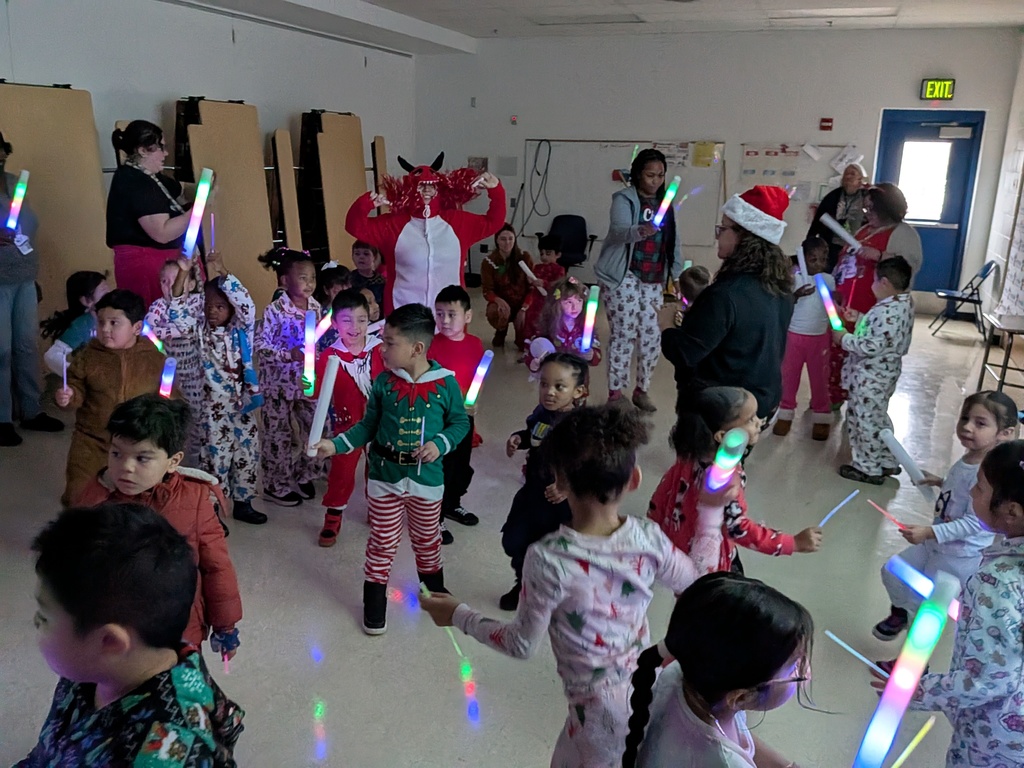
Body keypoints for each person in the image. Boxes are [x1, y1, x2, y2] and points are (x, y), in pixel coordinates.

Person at [420, 405, 698, 768]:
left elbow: (520, 644)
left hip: (597, 716)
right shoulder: (649, 537)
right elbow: (695, 584)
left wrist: (459, 614)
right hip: (649, 689)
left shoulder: (548, 558)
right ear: (635, 479)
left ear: (559, 481)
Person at [18, 502, 244, 766]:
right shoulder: (91, 664)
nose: (35, 621)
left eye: (44, 616)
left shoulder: (162, 755)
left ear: (110, 642)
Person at [311, 303, 469, 635]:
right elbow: (365, 427)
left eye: (389, 343)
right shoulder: (383, 383)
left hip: (427, 481)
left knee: (427, 540)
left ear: (417, 348)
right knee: (382, 541)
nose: (381, 349)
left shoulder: (446, 385)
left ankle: (434, 593)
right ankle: (375, 599)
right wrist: (334, 444)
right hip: (385, 479)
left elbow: (459, 424)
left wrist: (440, 443)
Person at [74, 394, 244, 654]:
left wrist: (225, 626)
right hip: (117, 632)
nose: (126, 467)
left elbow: (216, 567)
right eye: (117, 453)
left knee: (178, 688)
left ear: (173, 462)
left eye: (142, 458)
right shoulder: (97, 499)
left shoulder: (196, 501)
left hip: (179, 631)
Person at [902, 440, 1024, 767]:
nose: (970, 494)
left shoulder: (996, 581)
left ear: (1011, 511)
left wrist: (916, 689)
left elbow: (990, 679)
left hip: (998, 736)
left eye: (980, 489)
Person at [623, 572, 812, 768]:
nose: (806, 672)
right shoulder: (727, 762)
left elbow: (733, 737)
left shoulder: (684, 677)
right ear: (741, 697)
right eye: (794, 669)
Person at [873, 390, 1017, 642]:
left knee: (929, 611)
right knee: (893, 571)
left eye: (980, 423)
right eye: (965, 419)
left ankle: (915, 667)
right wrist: (943, 482)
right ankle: (900, 613)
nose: (967, 427)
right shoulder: (970, 459)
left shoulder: (988, 472)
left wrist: (929, 532)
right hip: (935, 546)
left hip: (958, 557)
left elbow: (976, 521)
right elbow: (963, 494)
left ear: (1004, 433)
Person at [648, 387, 821, 576]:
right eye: (750, 419)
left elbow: (661, 497)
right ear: (722, 436)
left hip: (677, 551)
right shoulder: (726, 480)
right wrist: (791, 543)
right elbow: (738, 527)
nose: (759, 422)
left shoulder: (688, 457)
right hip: (709, 562)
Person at [146, 251, 265, 525]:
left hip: (244, 408)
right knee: (216, 461)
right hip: (214, 411)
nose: (213, 311)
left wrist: (222, 270)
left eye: (220, 307)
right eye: (209, 306)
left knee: (247, 455)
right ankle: (213, 512)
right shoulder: (199, 331)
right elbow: (175, 308)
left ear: (231, 309)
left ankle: (244, 502)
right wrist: (184, 272)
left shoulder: (241, 329)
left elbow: (246, 304)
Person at [662, 186, 794, 424]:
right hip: (762, 402)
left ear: (744, 236)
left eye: (722, 228)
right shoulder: (781, 286)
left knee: (705, 461)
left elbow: (686, 353)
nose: (717, 235)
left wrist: (667, 327)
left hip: (726, 409)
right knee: (732, 461)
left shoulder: (724, 294)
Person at [345, 154, 505, 314]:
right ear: (411, 188)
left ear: (439, 188)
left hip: (450, 313)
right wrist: (365, 204)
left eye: (432, 186)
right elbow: (354, 227)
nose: (427, 190)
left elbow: (494, 222)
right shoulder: (393, 224)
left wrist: (496, 190)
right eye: (421, 186)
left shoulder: (457, 222)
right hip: (403, 309)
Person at [54, 289, 170, 506]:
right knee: (78, 497)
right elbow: (75, 387)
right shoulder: (88, 356)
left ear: (136, 328)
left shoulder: (155, 359)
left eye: (114, 323)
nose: (105, 329)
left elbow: (169, 397)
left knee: (135, 502)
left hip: (135, 444)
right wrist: (68, 396)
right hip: (91, 440)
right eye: (101, 322)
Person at [596, 148, 683, 412]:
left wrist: (676, 274)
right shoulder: (624, 198)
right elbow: (619, 232)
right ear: (637, 175)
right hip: (624, 275)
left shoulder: (665, 204)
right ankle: (615, 392)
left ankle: (641, 389)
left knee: (651, 335)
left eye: (660, 175)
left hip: (654, 278)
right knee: (623, 334)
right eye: (649, 175)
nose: (655, 181)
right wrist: (640, 231)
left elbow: (674, 240)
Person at [499, 352, 587, 610]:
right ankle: (523, 582)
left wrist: (567, 487)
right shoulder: (542, 414)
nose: (549, 392)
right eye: (544, 384)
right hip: (532, 494)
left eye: (560, 387)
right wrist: (519, 438)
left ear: (579, 391)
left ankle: (553, 593)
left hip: (561, 506)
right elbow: (534, 435)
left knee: (553, 551)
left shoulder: (579, 426)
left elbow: (588, 466)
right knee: (515, 541)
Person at [829, 182, 923, 406]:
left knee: (861, 354)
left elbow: (907, 268)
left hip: (872, 308)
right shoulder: (865, 229)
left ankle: (859, 401)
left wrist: (880, 255)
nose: (868, 213)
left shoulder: (904, 233)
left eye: (872, 209)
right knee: (837, 352)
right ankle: (834, 396)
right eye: (866, 209)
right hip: (847, 304)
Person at [0, 132, 64, 447]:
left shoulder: (14, 184)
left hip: (23, 276)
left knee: (26, 346)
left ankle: (30, 409)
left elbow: (29, 226)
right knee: (1, 350)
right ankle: (1, 419)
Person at [833, 256, 915, 484]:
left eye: (874, 281)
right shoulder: (902, 303)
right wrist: (860, 318)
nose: (872, 285)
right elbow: (884, 335)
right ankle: (887, 460)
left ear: (885, 283)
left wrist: (844, 339)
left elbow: (872, 345)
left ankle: (867, 467)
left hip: (871, 375)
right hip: (884, 374)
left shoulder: (887, 312)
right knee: (877, 416)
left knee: (863, 420)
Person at [314, 288, 385, 547]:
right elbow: (317, 395)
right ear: (334, 324)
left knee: (378, 468)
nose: (354, 327)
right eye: (346, 320)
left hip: (379, 423)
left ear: (370, 319)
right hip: (347, 425)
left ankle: (377, 509)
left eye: (361, 320)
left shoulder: (380, 349)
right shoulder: (329, 356)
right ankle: (333, 516)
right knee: (341, 473)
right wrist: (309, 384)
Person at [255, 248, 324, 507]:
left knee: (318, 427)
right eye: (303, 278)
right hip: (277, 385)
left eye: (313, 278)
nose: (309, 284)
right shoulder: (274, 311)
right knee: (278, 435)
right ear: (285, 281)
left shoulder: (317, 309)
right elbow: (260, 346)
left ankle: (305, 473)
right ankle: (276, 484)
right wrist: (288, 354)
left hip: (306, 384)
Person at [107, 121, 199, 307]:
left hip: (167, 263)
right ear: (142, 150)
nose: (165, 153)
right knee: (157, 319)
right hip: (148, 267)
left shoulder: (153, 178)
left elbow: (180, 192)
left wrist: (204, 188)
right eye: (160, 147)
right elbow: (162, 233)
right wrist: (199, 209)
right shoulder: (135, 181)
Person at [431, 285, 485, 543]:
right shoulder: (431, 345)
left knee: (461, 465)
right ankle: (434, 518)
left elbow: (477, 377)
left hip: (464, 417)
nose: (445, 320)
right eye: (439, 314)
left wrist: (474, 402)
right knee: (442, 468)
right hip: (439, 420)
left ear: (468, 316)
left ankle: (452, 503)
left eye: (452, 314)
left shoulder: (475, 344)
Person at [774, 236, 835, 441]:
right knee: (789, 376)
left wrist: (836, 302)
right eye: (813, 259)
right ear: (803, 259)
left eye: (823, 259)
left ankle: (821, 415)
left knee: (819, 379)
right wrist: (797, 295)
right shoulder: (793, 279)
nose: (819, 264)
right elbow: (783, 302)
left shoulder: (828, 280)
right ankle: (785, 412)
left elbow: (831, 310)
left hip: (819, 337)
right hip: (794, 336)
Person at [145, 258, 204, 463]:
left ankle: (196, 460)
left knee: (198, 417)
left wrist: (172, 331)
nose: (170, 287)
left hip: (197, 375)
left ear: (190, 284)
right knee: (172, 415)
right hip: (171, 375)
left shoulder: (197, 303)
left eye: (176, 280)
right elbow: (149, 327)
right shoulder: (159, 306)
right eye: (164, 282)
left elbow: (195, 327)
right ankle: (175, 459)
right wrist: (179, 331)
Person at [523, 275, 602, 380]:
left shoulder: (585, 326)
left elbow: (597, 352)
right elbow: (533, 348)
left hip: (577, 378)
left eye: (579, 301)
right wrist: (533, 364)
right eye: (569, 302)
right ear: (557, 304)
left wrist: (592, 355)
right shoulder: (547, 325)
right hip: (554, 378)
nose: (575, 307)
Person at [41, 271, 110, 376]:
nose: (112, 298)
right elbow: (51, 356)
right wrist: (77, 374)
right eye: (105, 294)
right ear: (86, 301)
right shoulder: (82, 325)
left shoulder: (114, 319)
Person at [481, 223, 535, 350]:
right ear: (497, 240)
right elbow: (487, 290)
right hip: (503, 302)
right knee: (495, 311)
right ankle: (501, 329)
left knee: (523, 345)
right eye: (503, 239)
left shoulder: (524, 257)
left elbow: (533, 287)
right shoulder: (489, 262)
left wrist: (524, 308)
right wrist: (498, 300)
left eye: (511, 238)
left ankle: (521, 334)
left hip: (522, 302)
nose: (507, 243)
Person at [806, 163, 868, 271]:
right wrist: (808, 243)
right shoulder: (832, 196)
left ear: (860, 179)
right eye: (846, 174)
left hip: (859, 246)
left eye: (852, 174)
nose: (848, 177)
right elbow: (817, 222)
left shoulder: (867, 197)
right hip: (832, 246)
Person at [517, 233, 567, 344]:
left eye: (548, 253)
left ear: (558, 254)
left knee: (547, 326)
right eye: (541, 253)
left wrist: (544, 283)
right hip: (535, 304)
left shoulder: (559, 270)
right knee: (531, 325)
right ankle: (528, 350)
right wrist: (530, 281)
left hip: (549, 304)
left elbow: (558, 287)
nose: (544, 257)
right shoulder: (537, 268)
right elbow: (531, 288)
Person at [349, 240, 385, 308]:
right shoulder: (349, 279)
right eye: (357, 254)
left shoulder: (381, 280)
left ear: (374, 257)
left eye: (366, 254)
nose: (361, 257)